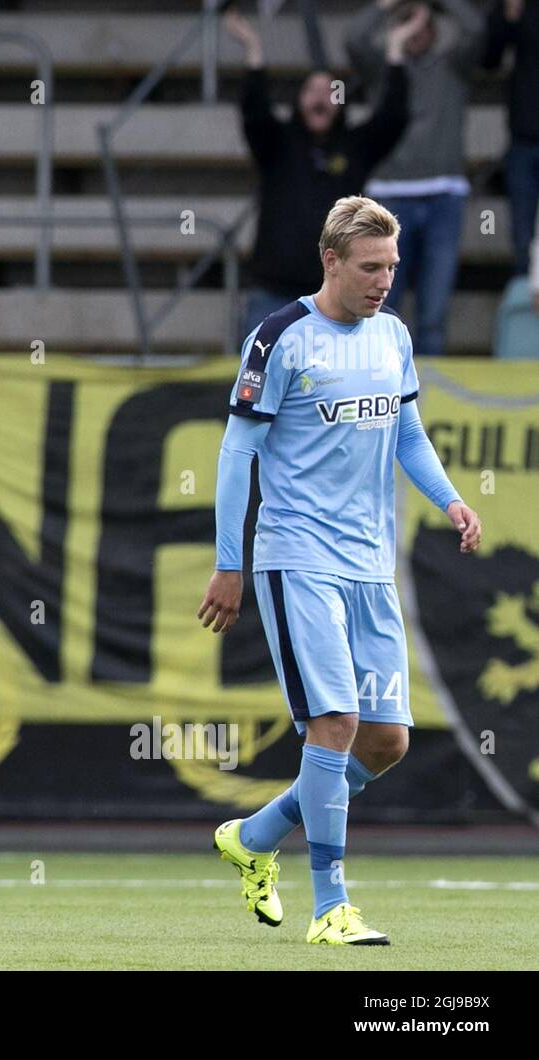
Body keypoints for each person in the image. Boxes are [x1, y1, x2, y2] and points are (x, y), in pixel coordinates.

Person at [199, 196, 482, 945]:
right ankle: (332, 906)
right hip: (298, 558)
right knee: (336, 722)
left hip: (369, 564)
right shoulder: (280, 338)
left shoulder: (392, 335)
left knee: (385, 740)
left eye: (391, 267)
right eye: (370, 267)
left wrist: (452, 501)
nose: (384, 280)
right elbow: (238, 455)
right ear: (331, 260)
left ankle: (255, 837)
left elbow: (408, 432)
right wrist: (231, 563)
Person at [223, 7, 413, 337]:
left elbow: (393, 117)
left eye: (330, 92)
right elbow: (254, 112)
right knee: (257, 383)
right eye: (312, 91)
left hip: (334, 298)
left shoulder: (356, 147)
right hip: (273, 294)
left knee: (330, 387)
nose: (320, 98)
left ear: (341, 105)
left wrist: (396, 50)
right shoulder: (277, 144)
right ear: (298, 102)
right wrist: (253, 50)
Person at [347, 0, 487, 357]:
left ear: (435, 30)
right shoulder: (383, 69)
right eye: (407, 23)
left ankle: (424, 400)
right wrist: (387, 7)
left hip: (444, 196)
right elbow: (354, 38)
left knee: (433, 313)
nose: (416, 30)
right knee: (378, 306)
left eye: (422, 24)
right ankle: (375, 388)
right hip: (389, 199)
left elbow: (477, 30)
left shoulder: (453, 67)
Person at [481, 0, 539, 279]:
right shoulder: (518, 5)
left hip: (524, 138)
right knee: (522, 241)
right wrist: (508, 16)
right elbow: (488, 59)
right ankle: (526, 317)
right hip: (524, 139)